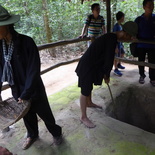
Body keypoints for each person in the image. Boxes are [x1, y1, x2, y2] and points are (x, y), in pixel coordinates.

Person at [0, 5, 62, 150]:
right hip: (16, 87)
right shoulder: (0, 46)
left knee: (45, 113)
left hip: (33, 87)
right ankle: (32, 134)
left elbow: (33, 70)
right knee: (26, 115)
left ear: (7, 26)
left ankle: (56, 133)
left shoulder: (26, 42)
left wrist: (26, 93)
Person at [75, 21, 138, 128]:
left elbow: (106, 57)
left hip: (92, 65)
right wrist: (107, 75)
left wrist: (105, 73)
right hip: (87, 66)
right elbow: (109, 59)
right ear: (125, 34)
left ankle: (89, 103)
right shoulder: (111, 39)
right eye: (128, 38)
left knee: (89, 86)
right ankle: (83, 117)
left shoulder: (111, 37)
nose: (127, 40)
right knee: (84, 91)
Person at [135, 0, 155, 86]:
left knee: (152, 62)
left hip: (152, 45)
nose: (151, 7)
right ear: (144, 7)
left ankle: (153, 78)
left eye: (152, 5)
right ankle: (142, 75)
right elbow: (133, 31)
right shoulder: (139, 19)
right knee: (141, 61)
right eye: (149, 5)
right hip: (141, 44)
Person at [113, 11, 125, 76]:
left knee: (122, 53)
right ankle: (115, 69)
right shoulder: (116, 26)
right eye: (123, 17)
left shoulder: (120, 25)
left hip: (120, 43)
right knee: (116, 56)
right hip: (116, 44)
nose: (124, 18)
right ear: (121, 17)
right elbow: (114, 37)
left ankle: (119, 64)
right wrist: (115, 46)